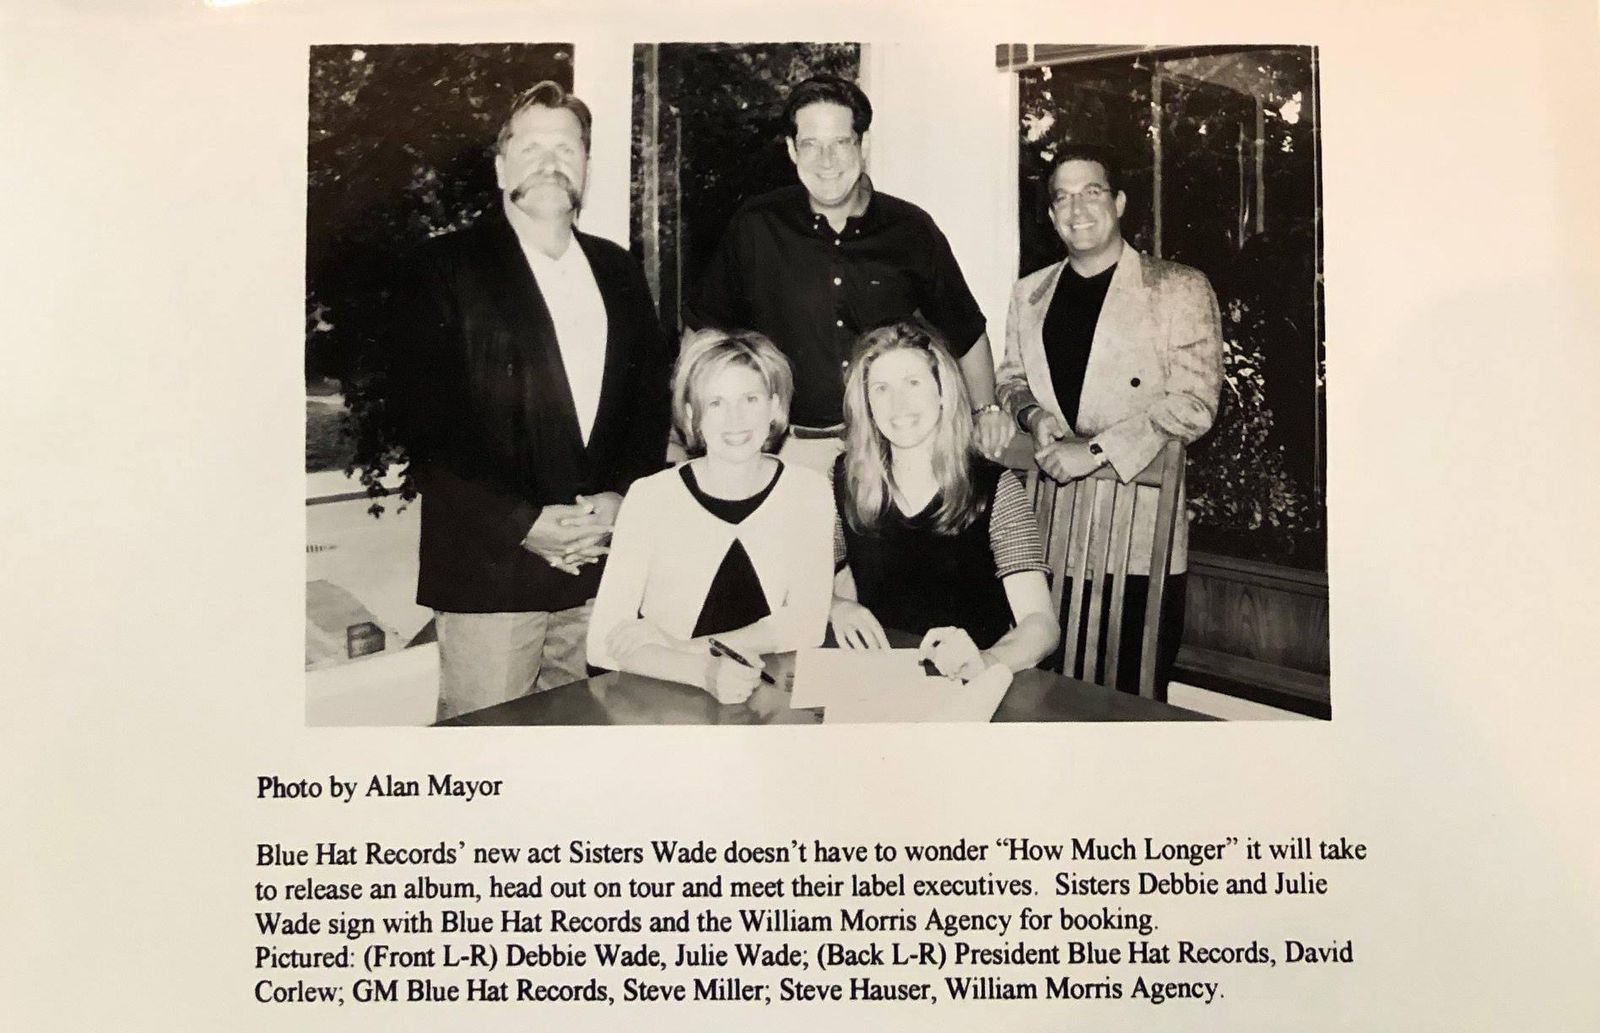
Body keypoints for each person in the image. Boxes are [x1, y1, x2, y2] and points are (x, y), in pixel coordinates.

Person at [391, 81, 670, 721]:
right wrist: (524, 524)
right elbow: (428, 429)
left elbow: (646, 411)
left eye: (566, 149)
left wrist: (622, 501)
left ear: (587, 167)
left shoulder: (619, 271)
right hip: (491, 572)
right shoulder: (441, 268)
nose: (550, 163)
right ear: (500, 168)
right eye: (532, 148)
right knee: (489, 755)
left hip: (600, 569)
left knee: (585, 751)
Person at [685, 73, 1014, 471]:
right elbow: (703, 335)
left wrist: (986, 410)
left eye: (840, 142)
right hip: (788, 453)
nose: (826, 161)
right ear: (791, 150)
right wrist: (690, 427)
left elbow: (965, 330)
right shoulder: (756, 226)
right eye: (811, 144)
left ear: (863, 144)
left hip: (889, 450)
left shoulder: (910, 229)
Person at [995, 142, 1223, 696]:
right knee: (1038, 696)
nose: (1077, 209)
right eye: (1063, 198)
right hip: (1048, 533)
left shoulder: (1177, 288)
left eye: (1091, 192)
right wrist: (1032, 415)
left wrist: (1095, 452)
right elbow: (1010, 379)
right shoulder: (1029, 294)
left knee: (1128, 704)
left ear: (1118, 202)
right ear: (1051, 214)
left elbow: (1195, 403)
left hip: (1139, 539)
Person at [586, 331, 834, 704]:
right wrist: (701, 671)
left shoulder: (809, 490)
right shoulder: (650, 496)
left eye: (750, 399)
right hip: (666, 697)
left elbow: (807, 625)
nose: (736, 419)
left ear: (774, 406)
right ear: (692, 415)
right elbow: (601, 644)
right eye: (716, 403)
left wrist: (679, 645)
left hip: (770, 697)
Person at [829, 321, 1059, 680]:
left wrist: (986, 661)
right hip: (881, 680)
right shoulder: (846, 480)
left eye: (913, 383)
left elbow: (1041, 624)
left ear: (942, 393)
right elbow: (800, 586)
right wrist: (836, 606)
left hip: (968, 681)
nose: (898, 404)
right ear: (867, 405)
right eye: (881, 388)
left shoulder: (996, 488)